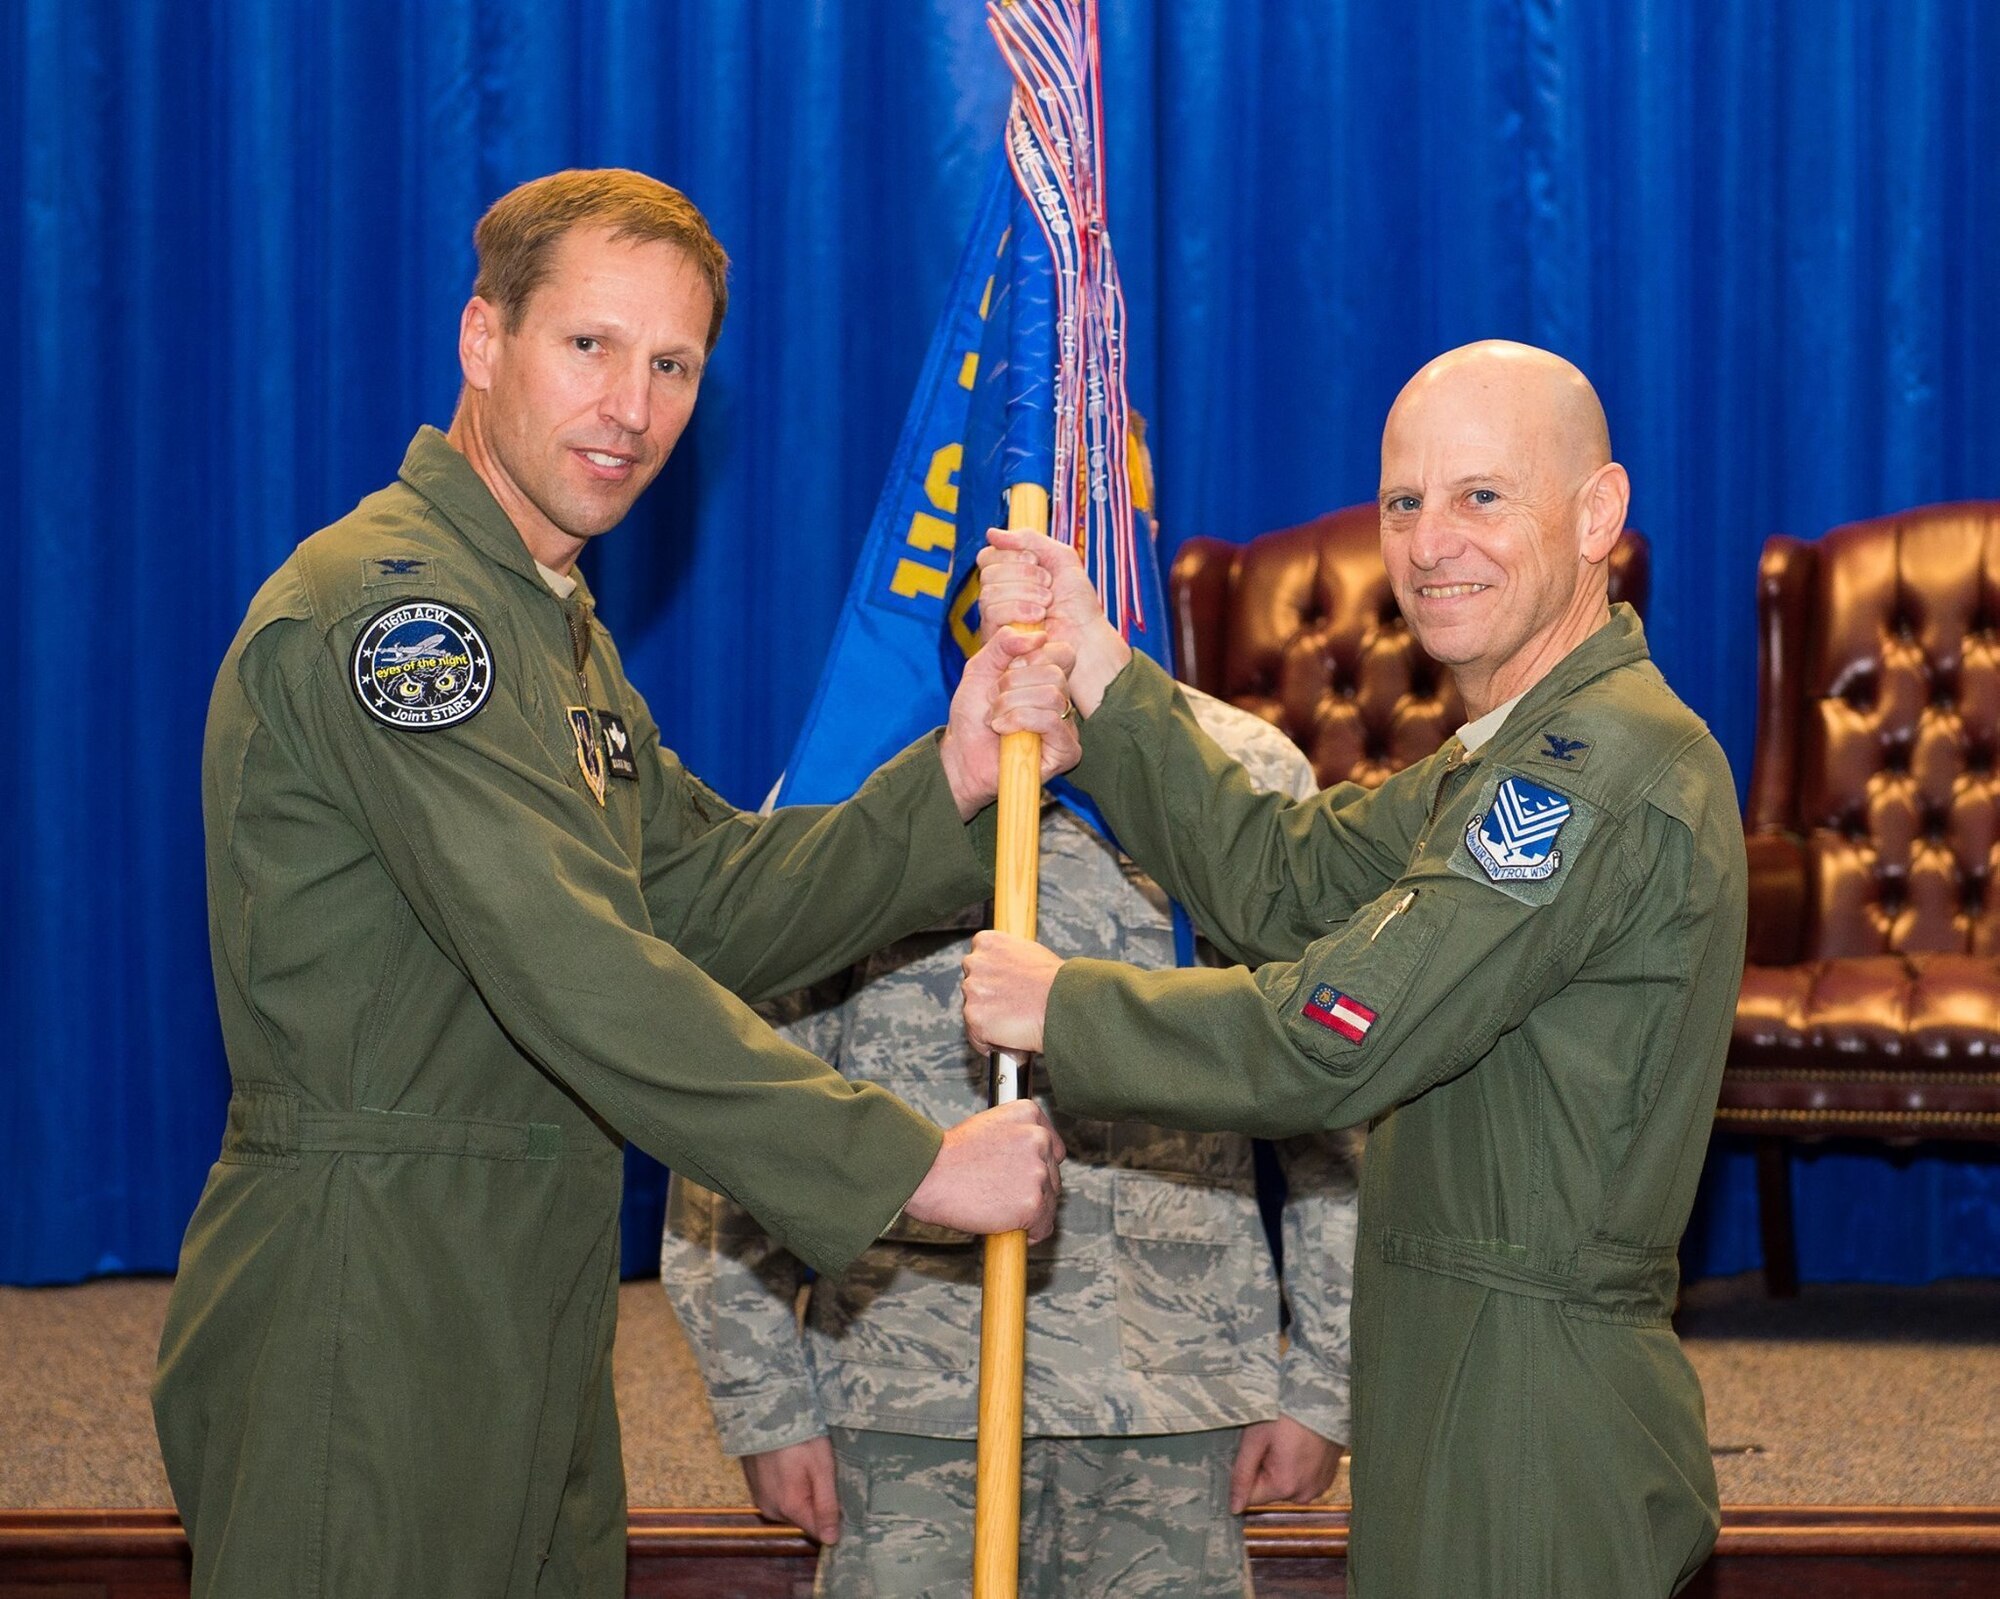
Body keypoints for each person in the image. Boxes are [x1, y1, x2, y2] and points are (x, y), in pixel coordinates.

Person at [154, 168, 1071, 1599]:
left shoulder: (553, 630)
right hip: (370, 1289)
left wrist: (945, 781)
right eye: (589, 346)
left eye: (672, 365)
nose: (631, 409)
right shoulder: (406, 619)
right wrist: (908, 1164)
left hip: (530, 1285)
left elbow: (702, 896)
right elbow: (571, 956)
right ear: (483, 339)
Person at [962, 341, 1750, 1597]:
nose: (1430, 543)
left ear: (1596, 515)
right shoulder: (1504, 756)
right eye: (1403, 501)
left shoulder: (1593, 768)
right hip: (1453, 1357)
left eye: (1480, 496)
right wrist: (1102, 672)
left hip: (1529, 1398)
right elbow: (1282, 877)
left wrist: (1066, 1008)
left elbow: (1338, 1032)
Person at [664, 689, 1354, 1598]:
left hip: (1174, 1397)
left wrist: (1322, 1386)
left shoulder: (1241, 771)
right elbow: (744, 1089)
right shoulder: (860, 754)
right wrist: (763, 1401)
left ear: (1143, 531)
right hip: (906, 1385)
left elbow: (1333, 1102)